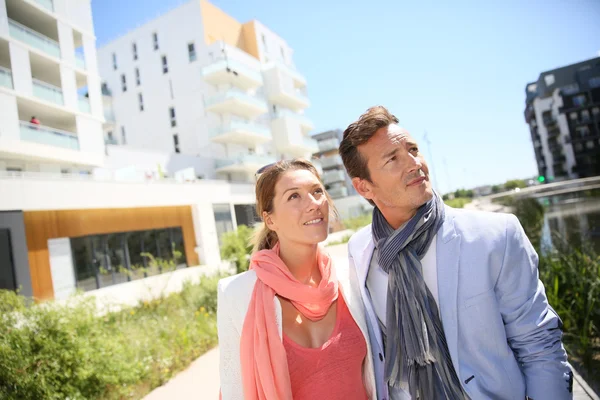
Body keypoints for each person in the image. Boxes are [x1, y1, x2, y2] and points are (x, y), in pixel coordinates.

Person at [339, 106, 572, 400]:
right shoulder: (360, 251)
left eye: (413, 149)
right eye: (392, 159)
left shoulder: (495, 235)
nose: (414, 163)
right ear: (364, 187)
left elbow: (539, 345)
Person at [217, 159, 377, 400]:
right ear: (270, 220)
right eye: (294, 197)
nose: (314, 204)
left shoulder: (352, 275)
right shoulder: (237, 294)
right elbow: (234, 390)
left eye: (317, 191)